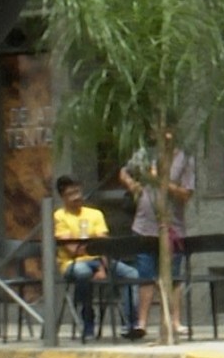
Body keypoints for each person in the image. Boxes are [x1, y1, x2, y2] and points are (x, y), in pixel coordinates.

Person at [118, 134, 195, 340]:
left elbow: (186, 194)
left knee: (173, 276)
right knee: (145, 275)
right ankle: (141, 323)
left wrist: (161, 182)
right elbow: (124, 172)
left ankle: (174, 321)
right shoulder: (146, 153)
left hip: (171, 226)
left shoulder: (184, 159)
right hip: (144, 225)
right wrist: (133, 185)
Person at [52, 174, 139, 341]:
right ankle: (88, 319)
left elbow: (104, 245)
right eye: (71, 194)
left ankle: (130, 323)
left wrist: (102, 265)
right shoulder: (60, 216)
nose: (76, 197)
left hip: (100, 260)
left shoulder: (95, 214)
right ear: (63, 197)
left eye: (78, 192)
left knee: (131, 273)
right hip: (72, 263)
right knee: (83, 272)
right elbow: (72, 249)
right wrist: (93, 247)